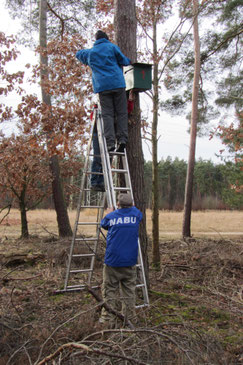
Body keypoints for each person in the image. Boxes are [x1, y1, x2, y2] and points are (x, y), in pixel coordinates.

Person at [76, 30, 131, 154]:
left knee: (107, 115)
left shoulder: (90, 53)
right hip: (117, 84)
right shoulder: (112, 47)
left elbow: (78, 54)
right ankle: (122, 140)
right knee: (121, 112)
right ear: (106, 38)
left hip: (103, 87)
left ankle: (110, 143)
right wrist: (129, 61)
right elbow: (123, 60)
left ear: (96, 40)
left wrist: (89, 53)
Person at [99, 193, 143, 328]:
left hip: (112, 261)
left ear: (118, 205)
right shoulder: (136, 214)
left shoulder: (112, 217)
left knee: (109, 290)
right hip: (129, 262)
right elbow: (137, 214)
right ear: (132, 204)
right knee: (129, 292)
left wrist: (109, 212)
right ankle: (129, 320)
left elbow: (103, 224)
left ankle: (107, 321)